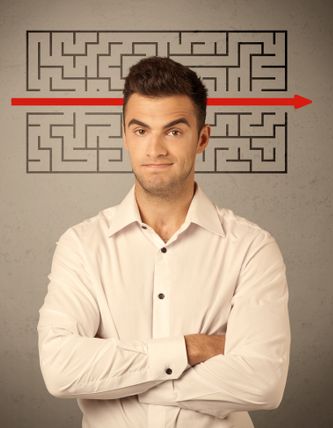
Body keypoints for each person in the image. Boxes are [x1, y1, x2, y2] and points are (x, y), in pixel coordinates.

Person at [37, 56, 291, 428]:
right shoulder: (81, 245)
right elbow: (60, 370)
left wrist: (116, 380)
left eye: (174, 131)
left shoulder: (252, 248)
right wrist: (192, 348)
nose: (155, 149)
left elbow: (263, 383)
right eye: (141, 131)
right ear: (125, 136)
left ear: (202, 138)